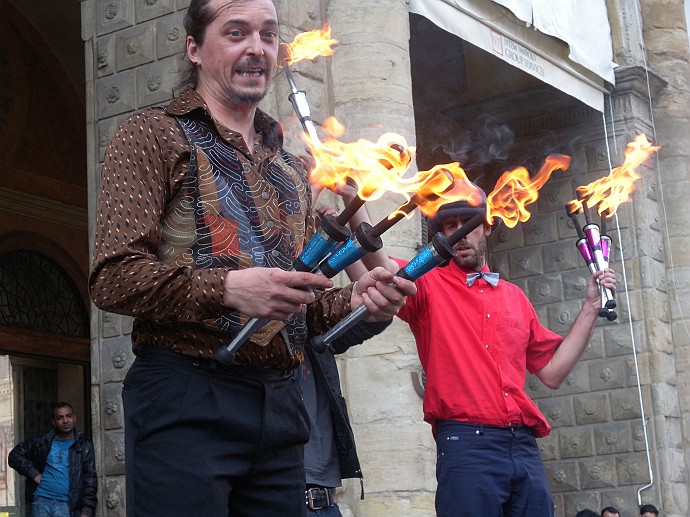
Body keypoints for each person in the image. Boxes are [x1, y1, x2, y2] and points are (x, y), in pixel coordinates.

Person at [88, 0, 416, 516]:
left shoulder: (291, 168)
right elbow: (112, 278)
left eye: (267, 34)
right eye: (236, 32)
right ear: (194, 48)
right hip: (186, 398)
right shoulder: (151, 134)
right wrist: (228, 289)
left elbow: (303, 309)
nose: (256, 48)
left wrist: (360, 301)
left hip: (281, 408)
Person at [394, 186, 617, 516]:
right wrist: (355, 209)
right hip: (466, 441)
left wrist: (590, 307)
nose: (459, 234)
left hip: (522, 443)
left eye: (466, 223)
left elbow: (553, 373)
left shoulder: (515, 297)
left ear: (485, 227)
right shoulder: (428, 283)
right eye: (449, 226)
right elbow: (378, 270)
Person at [7, 402, 97, 517]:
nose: (65, 421)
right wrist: (34, 474)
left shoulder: (84, 445)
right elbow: (14, 455)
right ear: (54, 422)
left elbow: (90, 479)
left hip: (66, 505)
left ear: (74, 419)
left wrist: (87, 511)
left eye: (68, 416)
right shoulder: (42, 442)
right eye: (60, 418)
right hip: (41, 502)